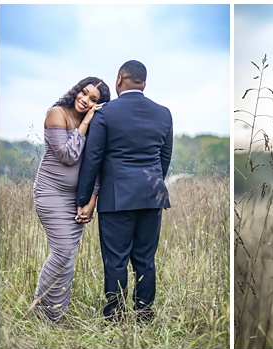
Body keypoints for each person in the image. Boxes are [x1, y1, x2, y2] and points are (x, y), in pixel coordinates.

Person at [75, 60, 174, 323]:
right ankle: (144, 316)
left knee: (116, 261)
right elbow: (165, 158)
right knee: (145, 260)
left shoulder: (106, 113)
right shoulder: (164, 113)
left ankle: (115, 317)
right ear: (144, 83)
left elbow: (92, 159)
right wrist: (151, 184)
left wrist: (83, 199)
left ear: (120, 79)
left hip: (116, 198)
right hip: (153, 195)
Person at [32, 77, 111, 323]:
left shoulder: (98, 123)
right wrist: (87, 121)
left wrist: (91, 199)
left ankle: (54, 315)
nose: (85, 100)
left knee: (68, 258)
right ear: (77, 90)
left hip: (77, 199)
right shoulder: (58, 114)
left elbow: (95, 164)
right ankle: (39, 309)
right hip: (51, 193)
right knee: (62, 252)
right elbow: (68, 155)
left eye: (93, 100)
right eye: (84, 93)